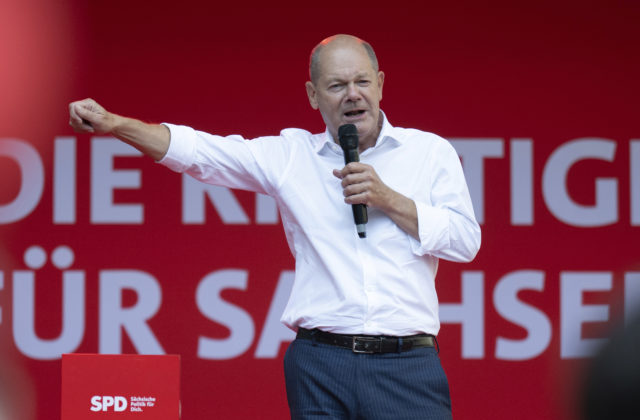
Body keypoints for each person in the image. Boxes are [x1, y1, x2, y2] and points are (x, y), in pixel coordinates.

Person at [69, 34, 481, 420]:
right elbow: (200, 152)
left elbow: (465, 242)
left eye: (362, 82)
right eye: (337, 86)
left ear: (381, 85)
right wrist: (115, 124)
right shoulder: (292, 156)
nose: (353, 94)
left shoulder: (429, 152)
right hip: (321, 362)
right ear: (313, 95)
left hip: (407, 363)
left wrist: (389, 199)